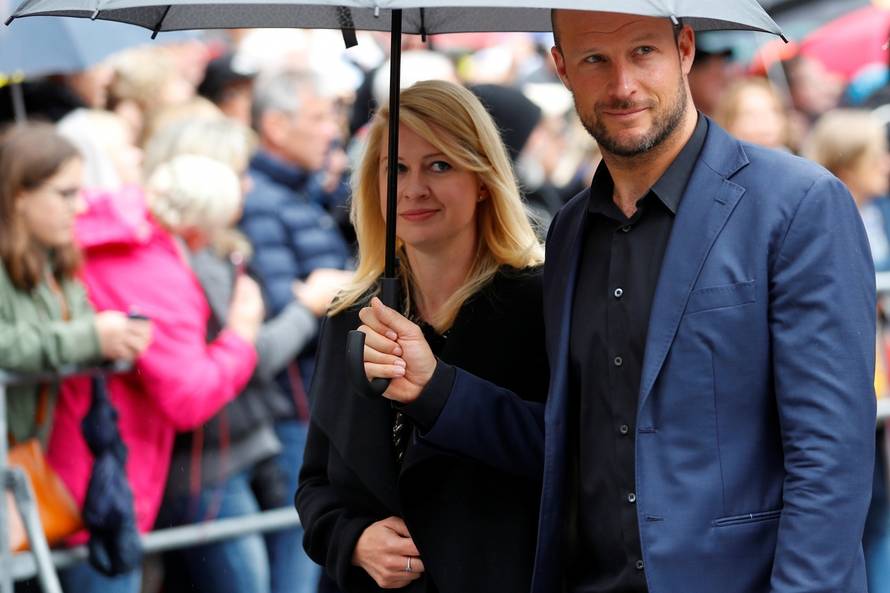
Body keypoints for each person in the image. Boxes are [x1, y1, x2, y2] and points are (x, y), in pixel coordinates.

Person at [359, 10, 876, 593]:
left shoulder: (797, 205)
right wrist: (436, 389)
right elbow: (573, 436)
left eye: (642, 53)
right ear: (561, 69)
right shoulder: (572, 230)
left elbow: (831, 455)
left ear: (684, 49)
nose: (622, 84)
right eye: (595, 60)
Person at [295, 79, 548, 593]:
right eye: (398, 168)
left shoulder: (542, 303)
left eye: (440, 165)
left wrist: (438, 393)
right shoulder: (352, 315)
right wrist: (354, 541)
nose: (413, 189)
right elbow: (315, 483)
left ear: (483, 179)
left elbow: (563, 452)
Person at [46, 141, 264, 593]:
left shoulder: (111, 224)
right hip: (99, 478)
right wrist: (241, 335)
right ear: (199, 231)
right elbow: (187, 397)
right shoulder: (150, 269)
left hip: (77, 456)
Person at [241, 68, 354, 593]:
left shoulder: (302, 193)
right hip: (294, 407)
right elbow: (284, 304)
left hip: (319, 399)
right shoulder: (261, 200)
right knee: (300, 558)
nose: (330, 129)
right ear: (274, 125)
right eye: (316, 117)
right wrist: (335, 296)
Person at [0, 123, 150, 445]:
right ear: (18, 196)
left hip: (28, 451)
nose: (80, 207)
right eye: (66, 194)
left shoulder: (55, 259)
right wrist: (92, 337)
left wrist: (118, 339)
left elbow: (81, 329)